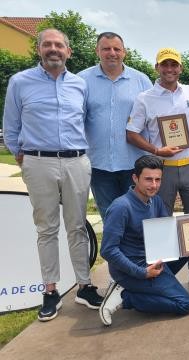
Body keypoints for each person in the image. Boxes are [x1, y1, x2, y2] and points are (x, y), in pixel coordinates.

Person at [2, 28, 103, 321]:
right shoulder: (20, 82)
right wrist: (25, 159)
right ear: (39, 49)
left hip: (75, 161)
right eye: (48, 44)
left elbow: (85, 121)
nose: (53, 49)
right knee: (46, 229)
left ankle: (84, 286)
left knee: (77, 226)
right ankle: (50, 291)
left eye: (59, 45)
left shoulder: (80, 84)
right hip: (38, 162)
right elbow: (11, 127)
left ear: (68, 51)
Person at [126, 48, 189, 290]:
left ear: (180, 68)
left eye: (174, 65)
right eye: (165, 65)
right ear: (157, 68)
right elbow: (131, 133)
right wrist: (155, 149)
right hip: (163, 169)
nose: (170, 69)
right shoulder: (145, 98)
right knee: (160, 222)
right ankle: (161, 272)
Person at [99, 155, 189, 326]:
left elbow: (167, 235)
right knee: (185, 304)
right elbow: (108, 250)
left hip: (154, 259)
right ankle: (125, 295)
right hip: (132, 270)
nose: (154, 185)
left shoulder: (156, 201)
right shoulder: (121, 207)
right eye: (148, 180)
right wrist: (142, 273)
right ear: (135, 178)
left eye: (157, 180)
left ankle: (152, 285)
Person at [78, 32, 153, 219]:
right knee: (110, 218)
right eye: (106, 49)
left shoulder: (141, 80)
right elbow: (75, 120)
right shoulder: (81, 81)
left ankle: (136, 250)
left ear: (124, 52)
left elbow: (152, 121)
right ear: (97, 51)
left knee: (138, 218)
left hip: (134, 165)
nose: (112, 53)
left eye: (116, 49)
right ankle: (113, 250)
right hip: (99, 166)